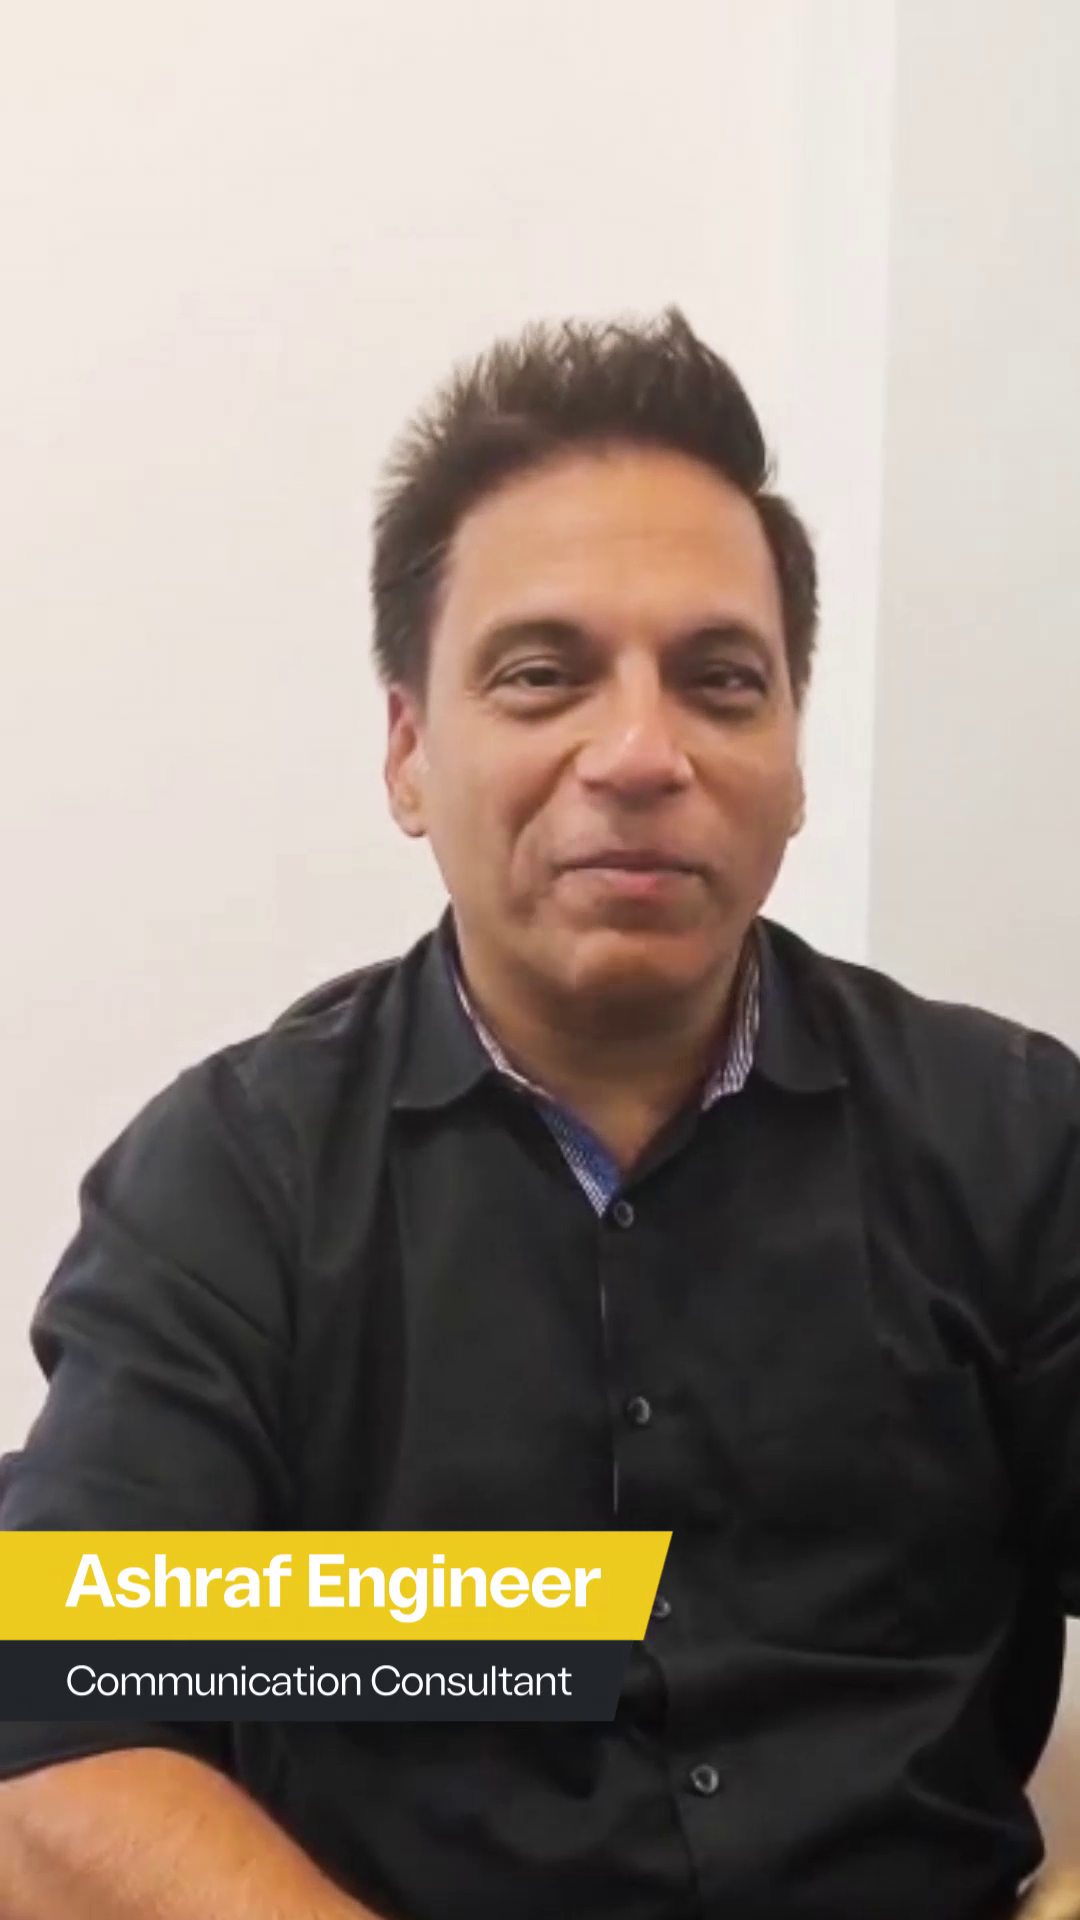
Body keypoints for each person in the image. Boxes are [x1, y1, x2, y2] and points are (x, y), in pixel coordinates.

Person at [1, 307, 1079, 1920]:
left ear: (792, 759)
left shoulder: (1010, 1141)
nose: (640, 753)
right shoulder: (236, 1183)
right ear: (410, 752)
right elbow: (56, 1743)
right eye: (541, 673)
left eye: (722, 681)